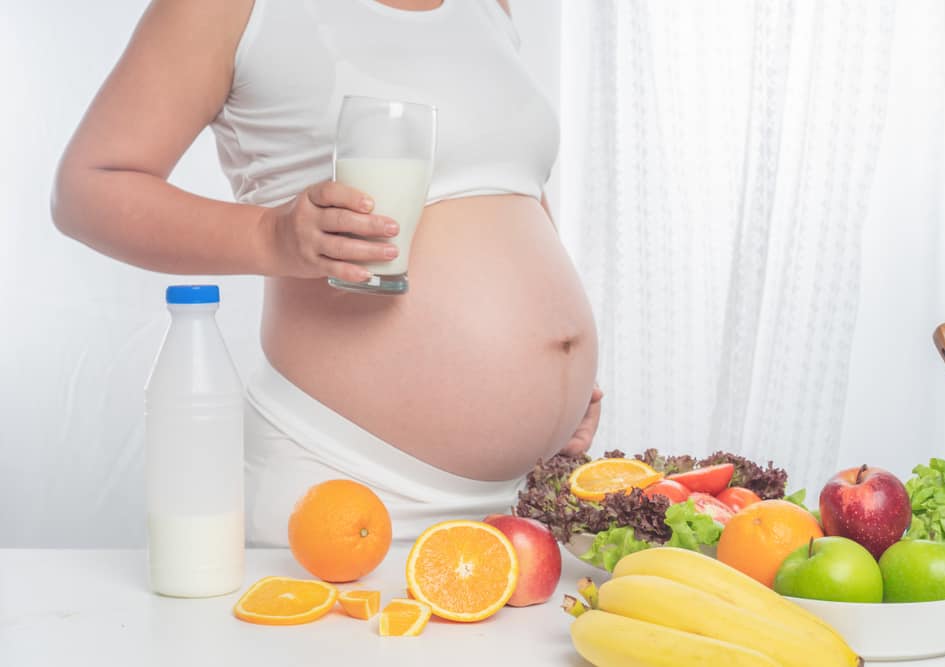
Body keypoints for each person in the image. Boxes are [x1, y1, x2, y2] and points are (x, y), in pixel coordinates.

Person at [52, 0, 601, 544]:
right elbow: (87, 189)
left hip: (526, 501)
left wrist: (561, 384)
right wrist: (270, 237)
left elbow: (512, 188)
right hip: (350, 486)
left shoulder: (488, 7)